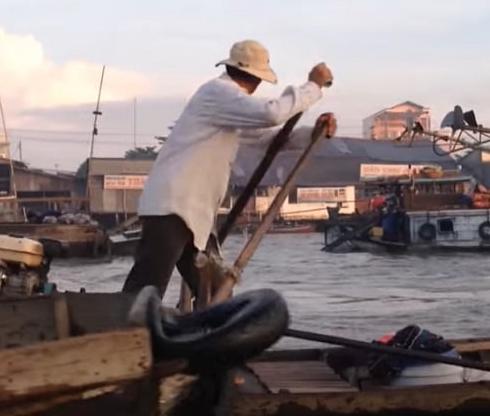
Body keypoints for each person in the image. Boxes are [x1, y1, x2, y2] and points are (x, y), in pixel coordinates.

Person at [122, 39, 336, 300]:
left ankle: (201, 336)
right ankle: (123, 336)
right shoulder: (218, 92)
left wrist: (313, 133)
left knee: (217, 290)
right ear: (257, 79)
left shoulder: (228, 109)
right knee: (146, 288)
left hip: (194, 216)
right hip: (171, 207)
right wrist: (313, 86)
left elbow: (269, 139)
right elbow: (272, 114)